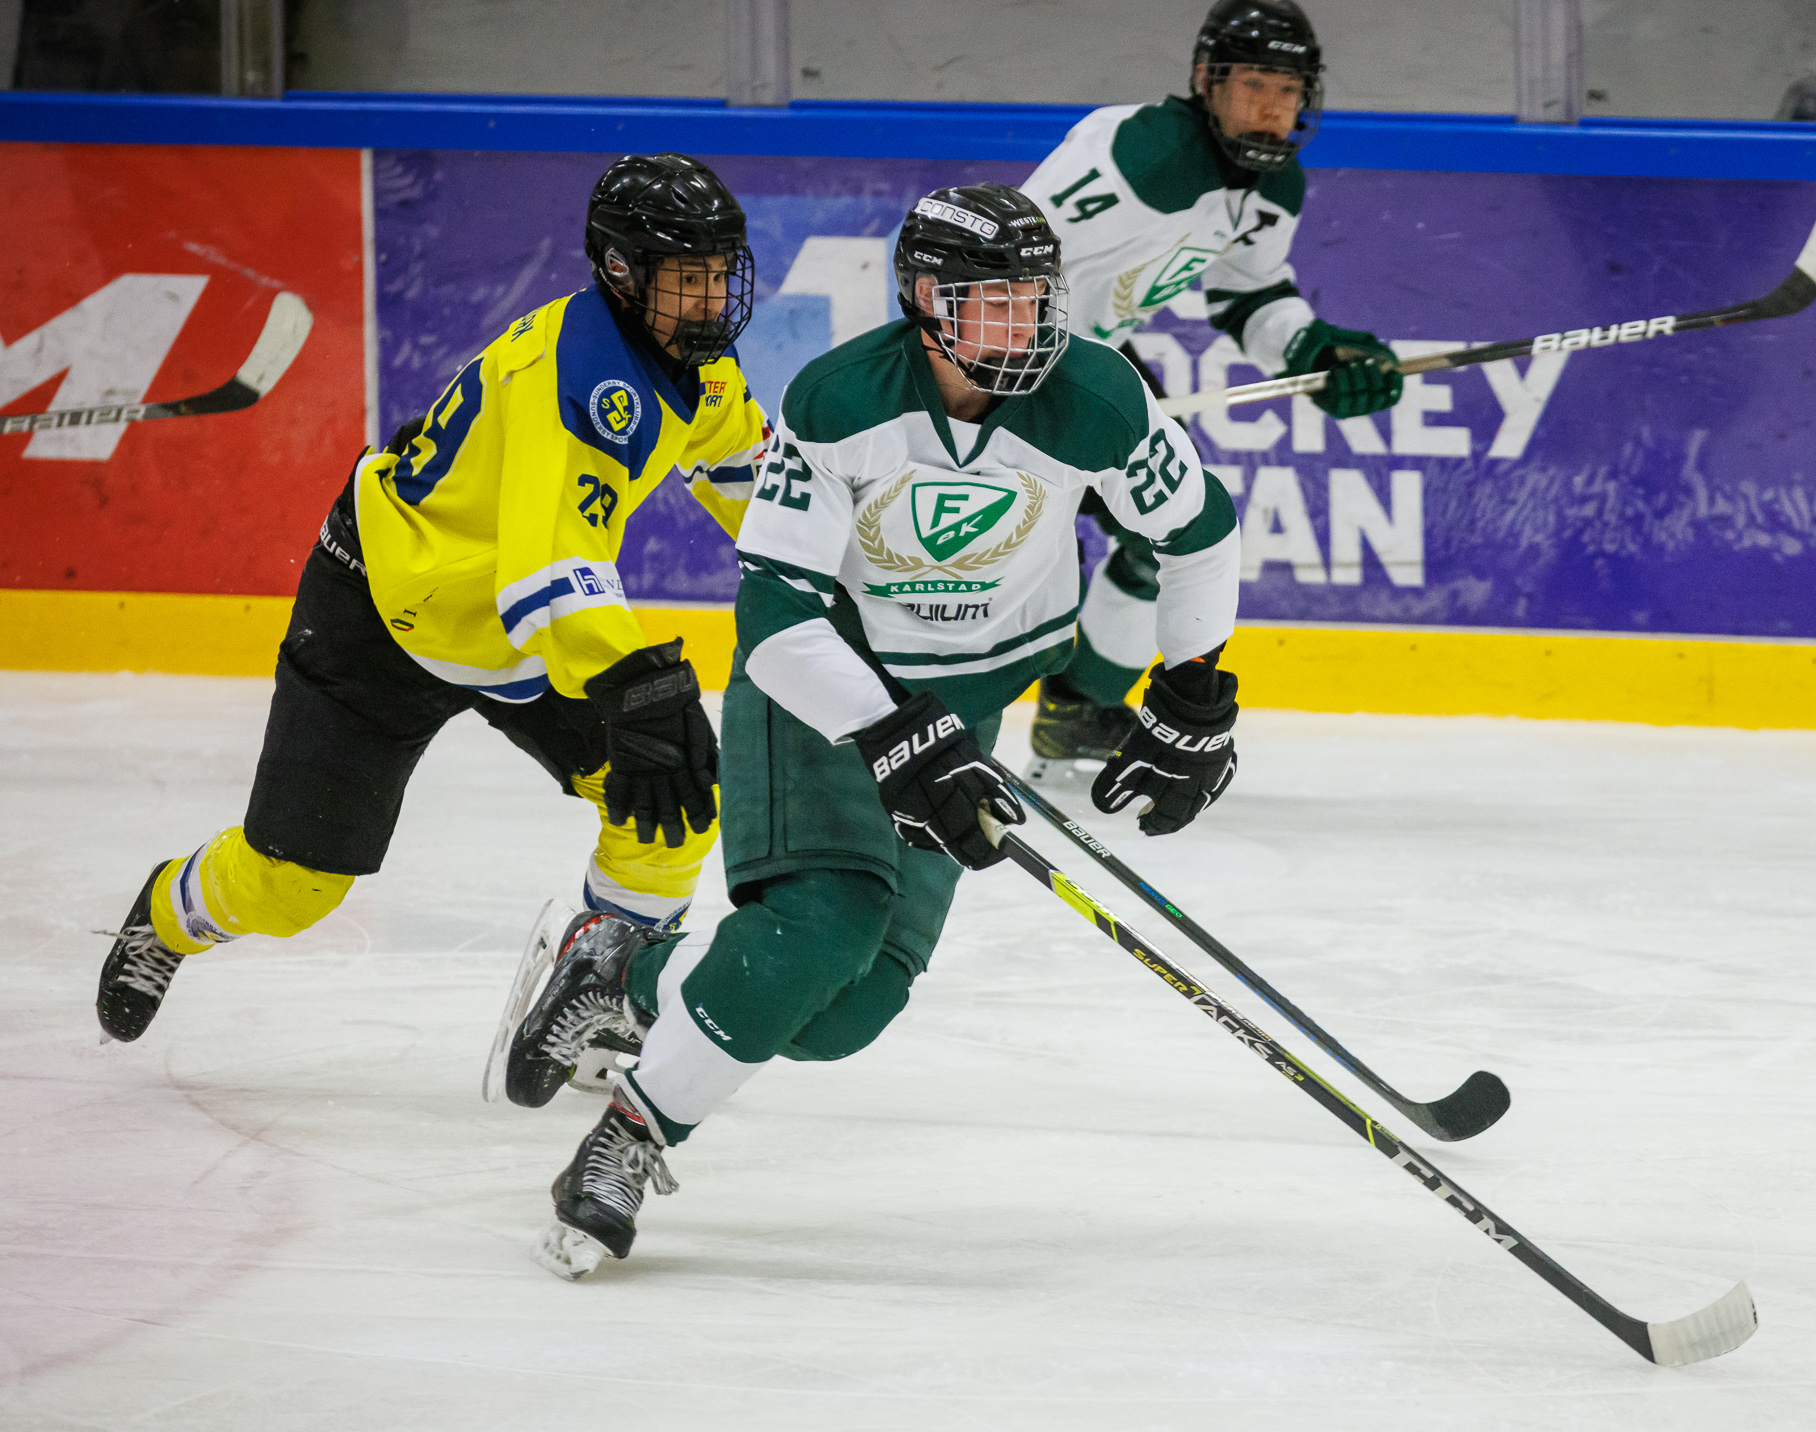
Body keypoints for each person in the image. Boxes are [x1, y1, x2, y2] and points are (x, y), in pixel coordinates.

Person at [501, 183, 1243, 1280]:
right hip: (825, 696)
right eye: (996, 304)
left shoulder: (1097, 395)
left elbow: (1200, 531)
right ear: (926, 301)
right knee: (818, 935)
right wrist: (892, 731)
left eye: (1037, 300)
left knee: (845, 1012)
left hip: (966, 708)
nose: (1028, 327)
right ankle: (627, 1140)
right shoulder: (840, 401)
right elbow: (777, 616)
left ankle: (627, 970)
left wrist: (1194, 695)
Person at [94, 154, 767, 1047]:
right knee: (292, 888)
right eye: (690, 279)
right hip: (382, 611)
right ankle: (169, 913)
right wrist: (636, 683)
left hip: (513, 633)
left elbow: (756, 488)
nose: (714, 301)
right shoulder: (577, 378)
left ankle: (604, 995)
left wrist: (853, 588)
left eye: (720, 275)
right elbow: (548, 571)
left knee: (670, 807)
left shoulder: (696, 366)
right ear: (623, 272)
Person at [1015, 0, 1400, 778]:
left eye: (1288, 90)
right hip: (1009, 359)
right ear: (1207, 81)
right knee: (1001, 550)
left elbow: (1247, 294)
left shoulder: (1275, 184)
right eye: (1254, 84)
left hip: (1095, 357)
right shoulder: (1140, 153)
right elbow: (1011, 262)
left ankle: (1078, 709)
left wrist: (1315, 350)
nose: (1272, 108)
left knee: (1175, 520)